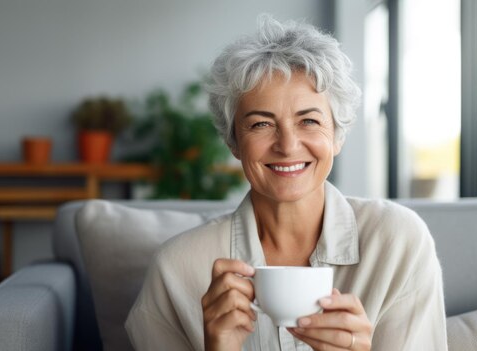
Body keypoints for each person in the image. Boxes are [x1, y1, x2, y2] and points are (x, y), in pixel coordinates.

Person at [126, 15, 447, 351]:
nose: (288, 145)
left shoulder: (397, 243)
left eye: (309, 120)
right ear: (233, 142)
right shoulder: (176, 270)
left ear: (337, 136)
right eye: (261, 125)